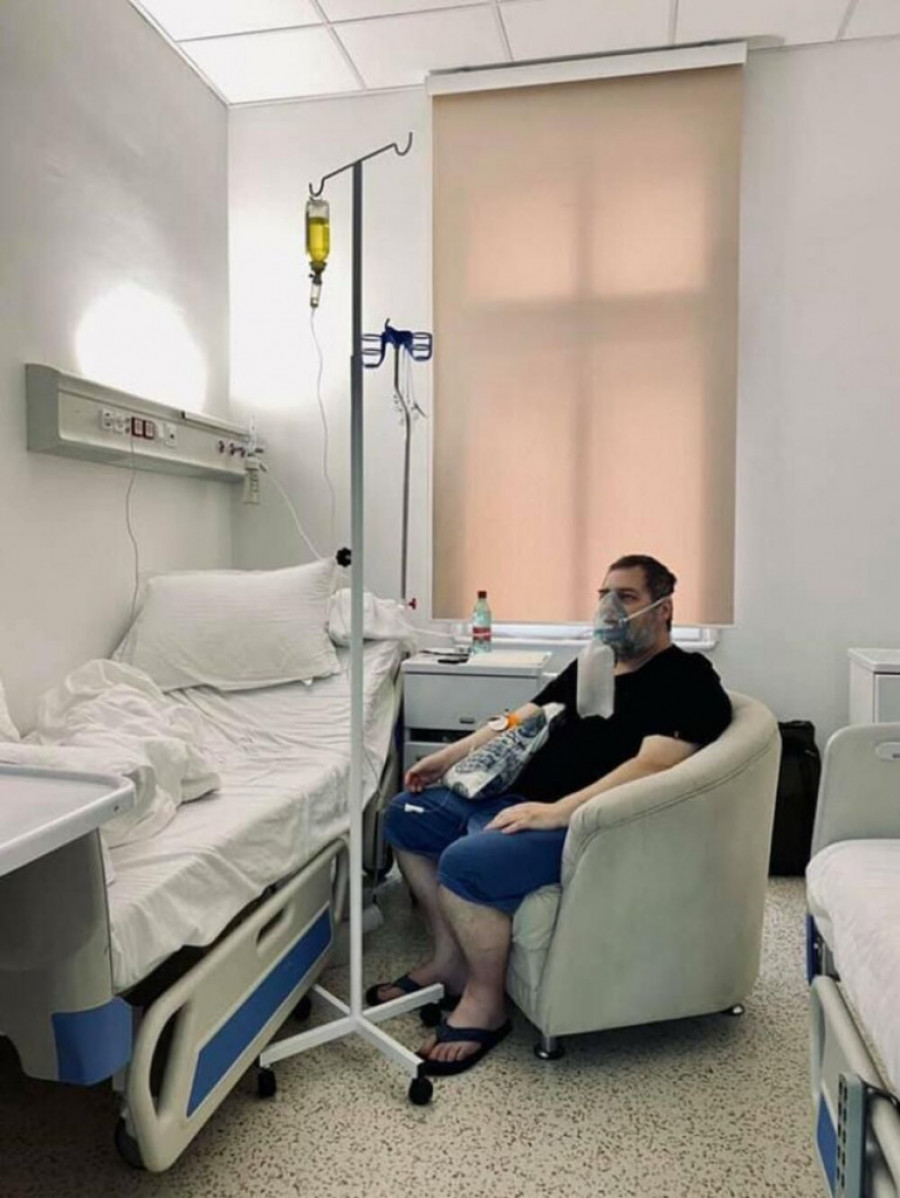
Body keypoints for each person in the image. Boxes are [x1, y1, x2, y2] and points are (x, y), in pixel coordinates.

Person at [370, 555, 732, 1076]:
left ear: (664, 609)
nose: (609, 608)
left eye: (626, 597)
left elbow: (655, 765)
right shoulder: (593, 663)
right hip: (517, 794)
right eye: (604, 595)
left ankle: (486, 1003)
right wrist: (449, 757)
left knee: (466, 863)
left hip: (582, 822)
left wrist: (559, 811)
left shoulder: (687, 676)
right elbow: (520, 716)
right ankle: (449, 959)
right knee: (404, 814)